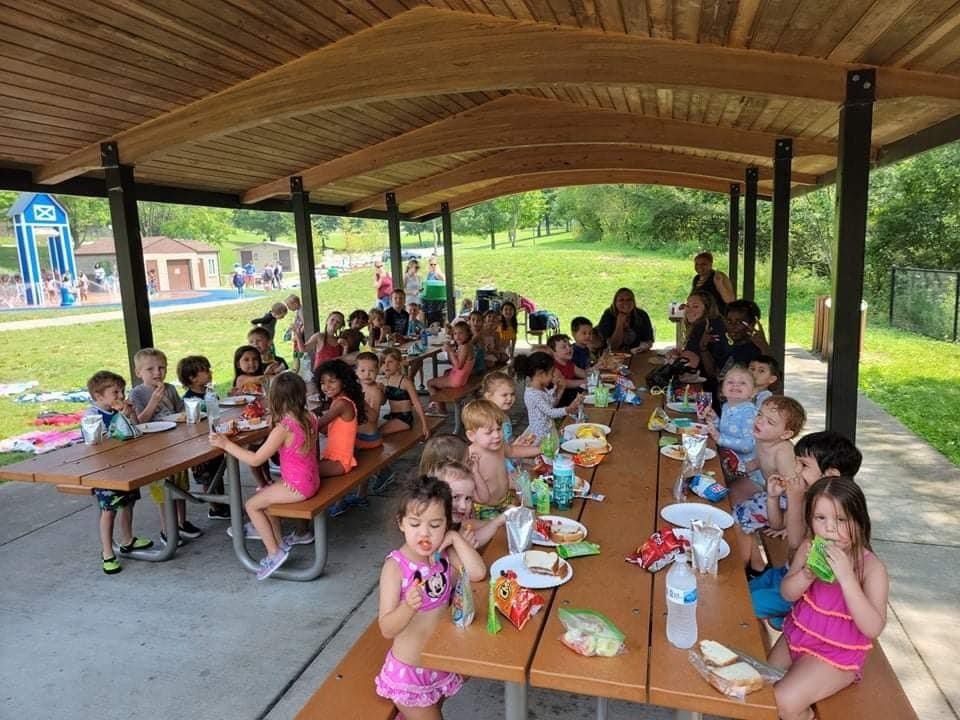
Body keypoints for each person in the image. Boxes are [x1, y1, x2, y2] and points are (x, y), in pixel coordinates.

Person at [769, 476, 888, 720]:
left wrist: (846, 577)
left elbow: (873, 627)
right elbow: (787, 593)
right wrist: (806, 574)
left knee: (781, 701)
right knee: (759, 683)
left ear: (860, 521)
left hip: (837, 654)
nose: (830, 528)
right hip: (798, 634)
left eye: (841, 520)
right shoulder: (808, 548)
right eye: (820, 518)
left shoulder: (872, 569)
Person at [375, 475, 485, 718]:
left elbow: (477, 573)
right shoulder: (396, 567)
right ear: (401, 523)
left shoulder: (442, 555)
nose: (424, 533)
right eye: (415, 524)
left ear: (446, 523)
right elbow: (386, 628)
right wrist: (407, 606)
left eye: (435, 525)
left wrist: (454, 539)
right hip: (410, 675)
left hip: (440, 664)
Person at [210, 372, 321, 580]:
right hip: (311, 480)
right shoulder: (310, 417)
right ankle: (279, 544)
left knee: (252, 505)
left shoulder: (284, 428)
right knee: (265, 492)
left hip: (296, 487)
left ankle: (273, 552)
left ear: (274, 399)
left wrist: (226, 444)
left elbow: (255, 460)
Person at [751, 431, 862, 630]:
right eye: (796, 462)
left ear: (830, 475)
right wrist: (772, 497)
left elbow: (794, 542)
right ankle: (782, 614)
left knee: (747, 603)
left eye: (803, 465)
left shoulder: (834, 511)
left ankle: (791, 614)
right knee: (742, 590)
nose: (796, 470)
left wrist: (795, 498)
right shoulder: (812, 494)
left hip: (806, 589)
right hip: (786, 572)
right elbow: (777, 525)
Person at [130, 348, 202, 546]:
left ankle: (181, 522)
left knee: (181, 485)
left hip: (175, 442)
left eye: (161, 368)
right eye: (150, 369)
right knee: (164, 490)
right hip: (154, 448)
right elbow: (139, 421)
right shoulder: (137, 393)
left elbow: (179, 411)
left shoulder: (169, 388)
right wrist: (154, 400)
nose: (157, 373)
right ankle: (166, 529)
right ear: (139, 373)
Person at [85, 370, 154, 574]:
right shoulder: (92, 416)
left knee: (128, 503)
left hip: (125, 466)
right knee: (109, 511)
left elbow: (135, 432)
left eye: (122, 391)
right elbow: (102, 441)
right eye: (115, 392)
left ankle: (127, 539)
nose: (121, 396)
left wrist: (130, 415)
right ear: (99, 396)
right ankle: (107, 552)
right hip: (104, 470)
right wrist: (120, 419)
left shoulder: (119, 410)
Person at [177, 355, 230, 520]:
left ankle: (221, 503)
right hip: (200, 443)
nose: (210, 372)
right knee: (207, 476)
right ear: (192, 378)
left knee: (218, 473)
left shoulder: (209, 393)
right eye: (205, 371)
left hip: (214, 437)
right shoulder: (189, 400)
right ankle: (215, 506)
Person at [435, 461, 505, 549]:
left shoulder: (454, 524)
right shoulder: (431, 529)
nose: (463, 506)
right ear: (436, 495)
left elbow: (475, 539)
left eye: (468, 498)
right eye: (456, 497)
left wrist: (498, 521)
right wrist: (464, 549)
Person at [481, 371, 541, 472]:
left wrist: (518, 443)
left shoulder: (505, 417)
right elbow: (493, 450)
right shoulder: (487, 420)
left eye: (512, 394)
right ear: (488, 396)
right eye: (504, 395)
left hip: (509, 458)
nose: (510, 398)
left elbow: (507, 442)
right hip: (497, 466)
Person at [463, 399, 513, 518]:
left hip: (506, 500)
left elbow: (512, 451)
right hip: (484, 508)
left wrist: (540, 449)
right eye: (489, 432)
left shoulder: (499, 445)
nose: (496, 435)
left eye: (499, 429)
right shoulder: (470, 456)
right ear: (471, 435)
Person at [514, 350, 581, 440]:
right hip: (540, 436)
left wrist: (558, 389)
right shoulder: (533, 394)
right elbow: (550, 412)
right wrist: (567, 409)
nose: (553, 376)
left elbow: (551, 403)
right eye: (551, 373)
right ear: (540, 373)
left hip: (548, 430)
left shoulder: (541, 388)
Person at [674, 290, 727, 384]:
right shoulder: (715, 321)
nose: (689, 310)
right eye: (688, 306)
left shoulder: (703, 326)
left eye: (695, 306)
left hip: (709, 383)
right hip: (719, 378)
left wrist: (671, 361)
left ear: (707, 309)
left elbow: (689, 362)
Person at [380, 347, 430, 440]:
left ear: (398, 363)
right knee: (372, 431)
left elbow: (417, 404)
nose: (386, 365)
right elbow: (383, 402)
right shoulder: (387, 380)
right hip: (392, 416)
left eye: (390, 362)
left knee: (377, 433)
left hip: (404, 418)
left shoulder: (405, 382)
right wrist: (381, 390)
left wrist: (425, 425)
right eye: (383, 362)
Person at [426, 321, 475, 414]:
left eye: (461, 333)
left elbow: (458, 366)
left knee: (430, 383)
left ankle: (440, 410)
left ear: (468, 334)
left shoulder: (465, 347)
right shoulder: (466, 345)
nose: (457, 336)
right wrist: (452, 352)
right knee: (445, 373)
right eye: (455, 333)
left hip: (457, 380)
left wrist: (450, 351)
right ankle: (441, 405)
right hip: (461, 378)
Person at [596, 287, 654, 352]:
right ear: (615, 303)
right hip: (613, 355)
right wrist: (619, 323)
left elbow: (649, 340)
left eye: (629, 300)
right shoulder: (608, 315)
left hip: (637, 354)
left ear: (634, 302)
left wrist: (643, 347)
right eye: (621, 300)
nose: (626, 303)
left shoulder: (641, 315)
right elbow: (613, 346)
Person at [720, 299, 770, 375]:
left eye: (739, 322)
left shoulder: (754, 351)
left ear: (752, 324)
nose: (732, 326)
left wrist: (764, 348)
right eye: (729, 321)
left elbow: (773, 383)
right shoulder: (730, 346)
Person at [547, 333, 586, 407]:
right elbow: (565, 383)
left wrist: (596, 371)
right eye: (564, 347)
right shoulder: (553, 366)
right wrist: (587, 381)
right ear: (553, 351)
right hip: (560, 401)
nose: (569, 348)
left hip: (570, 397)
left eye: (570, 345)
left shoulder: (569, 363)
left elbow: (584, 374)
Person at [692, 251, 736, 316]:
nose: (699, 266)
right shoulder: (697, 278)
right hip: (702, 317)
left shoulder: (718, 276)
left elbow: (730, 300)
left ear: (711, 264)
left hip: (718, 317)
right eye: (697, 264)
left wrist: (719, 285)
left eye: (703, 264)